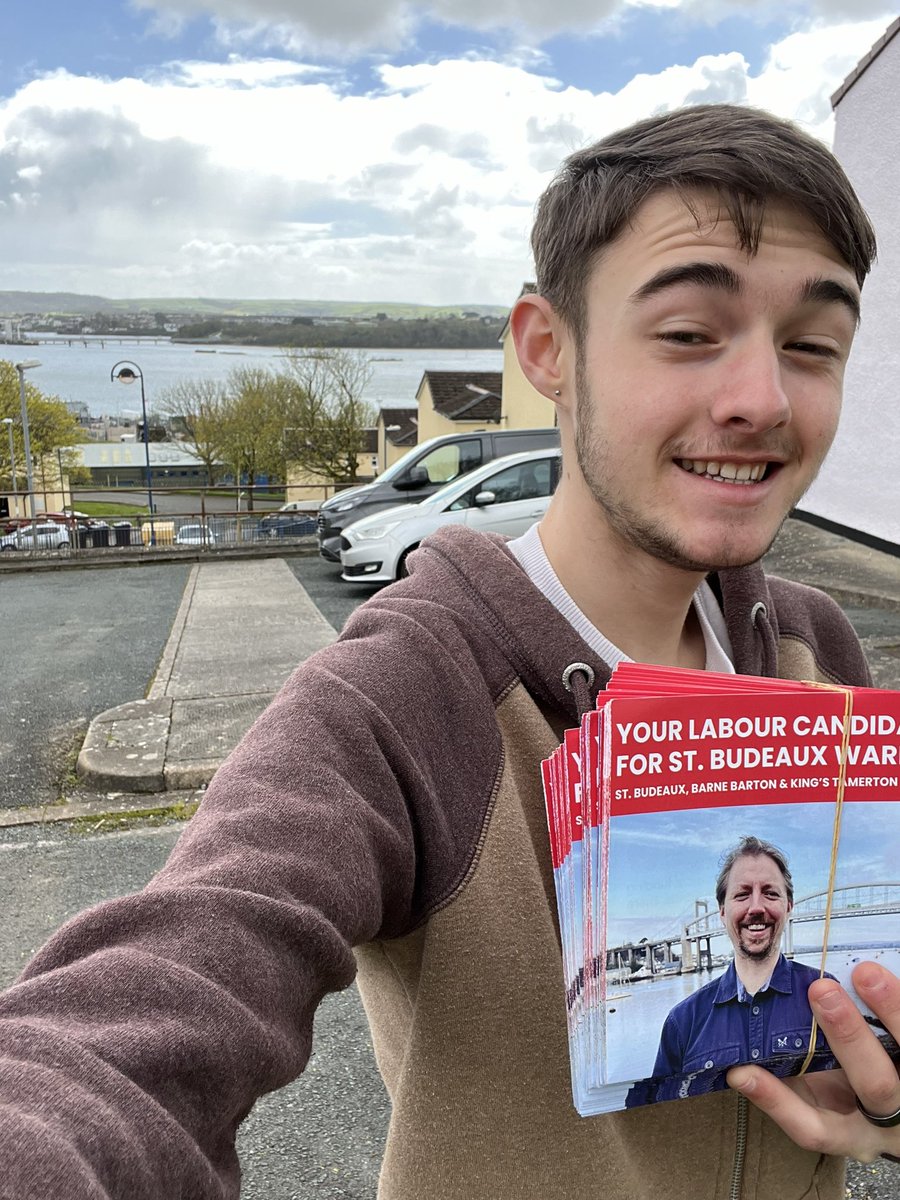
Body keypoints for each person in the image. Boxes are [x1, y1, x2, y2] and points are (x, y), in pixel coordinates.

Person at [0, 103, 899, 1200]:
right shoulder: (415, 691)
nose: (761, 400)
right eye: (688, 333)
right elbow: (154, 1000)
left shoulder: (816, 648)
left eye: (812, 346)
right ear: (546, 347)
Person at [650, 837, 835, 1093]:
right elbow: (657, 1117)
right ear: (722, 911)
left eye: (770, 893)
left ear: (789, 906)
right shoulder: (682, 1022)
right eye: (742, 894)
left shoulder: (826, 993)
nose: (756, 907)